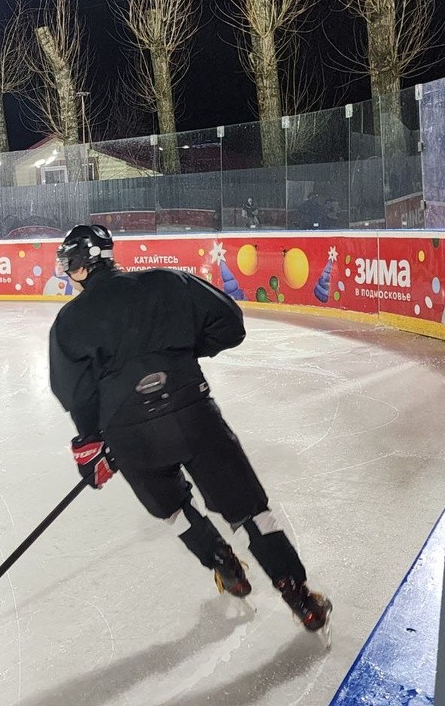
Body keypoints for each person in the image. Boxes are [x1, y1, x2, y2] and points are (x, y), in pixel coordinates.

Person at [48, 224, 332, 634]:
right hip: (193, 414)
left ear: (78, 266)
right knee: (251, 511)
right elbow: (230, 324)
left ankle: (222, 562)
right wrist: (179, 353)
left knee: (173, 510)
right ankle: (299, 597)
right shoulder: (167, 281)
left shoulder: (69, 321)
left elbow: (74, 393)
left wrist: (90, 441)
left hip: (130, 436)